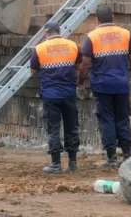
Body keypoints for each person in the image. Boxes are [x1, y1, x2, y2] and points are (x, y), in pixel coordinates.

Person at [77, 5, 131, 168]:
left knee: (107, 120)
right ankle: (127, 155)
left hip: (102, 85)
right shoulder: (125, 34)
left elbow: (85, 63)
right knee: (123, 118)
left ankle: (111, 158)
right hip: (121, 84)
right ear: (112, 17)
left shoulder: (92, 37)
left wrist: (80, 82)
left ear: (97, 20)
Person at [30, 22, 82, 174]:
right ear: (59, 31)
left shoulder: (39, 48)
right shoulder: (72, 45)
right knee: (71, 127)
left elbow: (33, 70)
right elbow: (79, 66)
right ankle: (72, 163)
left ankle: (56, 164)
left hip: (50, 94)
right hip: (69, 93)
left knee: (53, 128)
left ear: (46, 33)